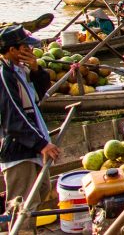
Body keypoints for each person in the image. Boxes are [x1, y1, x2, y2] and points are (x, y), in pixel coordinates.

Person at [0, 25, 57, 231]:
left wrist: (36, 70)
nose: (31, 51)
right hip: (19, 150)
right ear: (13, 50)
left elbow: (39, 97)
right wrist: (42, 144)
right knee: (23, 209)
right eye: (26, 48)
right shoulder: (4, 75)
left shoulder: (21, 71)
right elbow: (13, 118)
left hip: (33, 145)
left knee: (42, 195)